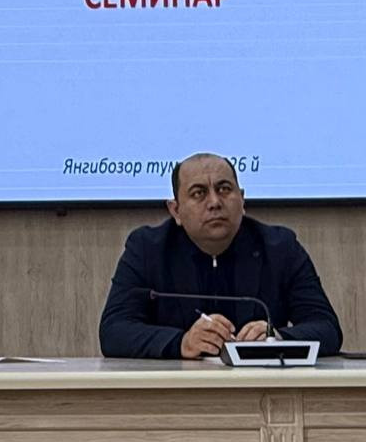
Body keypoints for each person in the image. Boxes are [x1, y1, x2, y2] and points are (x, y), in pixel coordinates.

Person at [100, 152, 342, 359]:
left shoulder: (280, 248)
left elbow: (327, 328)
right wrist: (181, 342)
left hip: (259, 386)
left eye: (224, 189)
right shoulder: (147, 249)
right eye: (198, 193)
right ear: (176, 210)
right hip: (178, 389)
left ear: (242, 200)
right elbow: (113, 331)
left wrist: (277, 337)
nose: (215, 202)